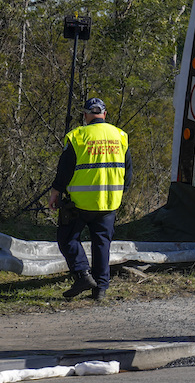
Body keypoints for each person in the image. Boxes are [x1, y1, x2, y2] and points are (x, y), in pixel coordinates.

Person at [49, 98, 130, 302]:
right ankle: (101, 288)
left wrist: (56, 191)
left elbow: (65, 169)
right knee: (102, 243)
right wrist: (121, 191)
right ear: (104, 114)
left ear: (85, 116)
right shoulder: (120, 136)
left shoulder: (78, 136)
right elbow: (128, 172)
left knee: (67, 238)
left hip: (80, 202)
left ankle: (83, 275)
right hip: (109, 202)